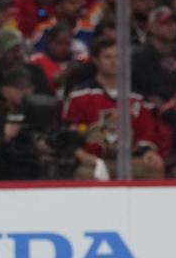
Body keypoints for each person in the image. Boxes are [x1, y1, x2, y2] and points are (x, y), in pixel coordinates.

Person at [63, 37, 166, 179]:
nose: (114, 62)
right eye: (107, 57)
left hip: (129, 160)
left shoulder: (136, 96)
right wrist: (83, 155)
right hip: (93, 161)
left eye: (118, 57)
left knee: (153, 168)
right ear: (96, 60)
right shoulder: (80, 95)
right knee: (87, 174)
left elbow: (146, 130)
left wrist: (147, 152)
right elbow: (68, 131)